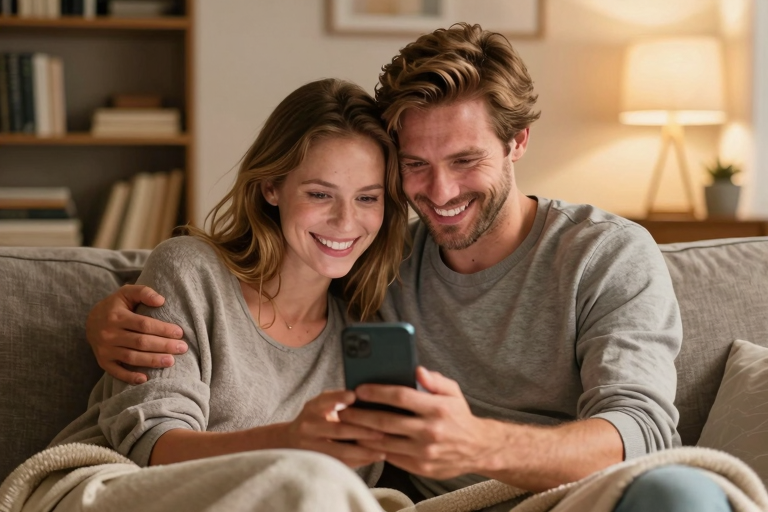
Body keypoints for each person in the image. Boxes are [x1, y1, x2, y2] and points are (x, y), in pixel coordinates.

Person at [84, 24, 732, 512]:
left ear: (517, 142)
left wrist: (477, 445)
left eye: (465, 160)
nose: (440, 191)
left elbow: (642, 432)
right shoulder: (381, 261)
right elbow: (238, 288)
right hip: (434, 506)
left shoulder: (604, 254)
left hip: (567, 500)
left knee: (682, 493)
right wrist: (102, 315)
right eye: (415, 165)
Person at [16, 78, 416, 512]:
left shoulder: (367, 329)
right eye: (319, 194)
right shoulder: (192, 270)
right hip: (117, 487)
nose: (345, 220)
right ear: (271, 187)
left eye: (367, 198)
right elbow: (152, 445)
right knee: (310, 480)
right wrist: (292, 442)